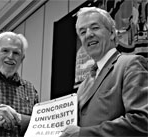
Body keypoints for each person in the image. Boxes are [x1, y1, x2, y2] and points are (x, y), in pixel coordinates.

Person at [60, 7, 148, 137]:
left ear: (112, 33)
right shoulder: (83, 86)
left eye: (95, 28)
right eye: (82, 32)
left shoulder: (130, 64)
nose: (88, 34)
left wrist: (84, 134)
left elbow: (142, 122)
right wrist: (22, 120)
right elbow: (64, 125)